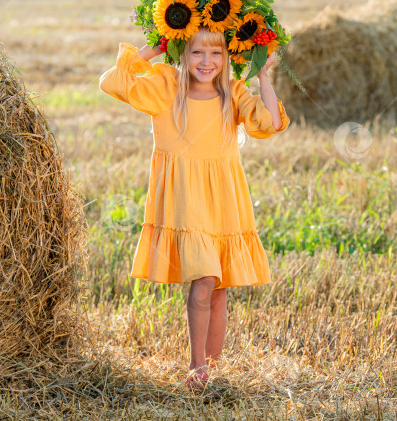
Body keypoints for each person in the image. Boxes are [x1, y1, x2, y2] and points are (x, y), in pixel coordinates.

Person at [98, 25, 290, 389]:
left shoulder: (233, 92)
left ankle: (212, 374)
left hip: (223, 199)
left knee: (219, 288)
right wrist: (150, 51)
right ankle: (197, 366)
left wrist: (262, 72)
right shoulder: (168, 86)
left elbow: (271, 123)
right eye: (197, 52)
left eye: (216, 53)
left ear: (228, 57)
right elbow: (112, 82)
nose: (206, 61)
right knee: (203, 280)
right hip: (185, 200)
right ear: (182, 54)